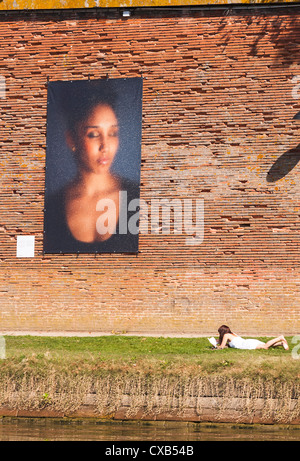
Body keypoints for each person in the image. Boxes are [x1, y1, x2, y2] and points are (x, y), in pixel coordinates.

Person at [44, 86, 140, 254]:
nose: (105, 146)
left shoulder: (136, 197)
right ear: (71, 139)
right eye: (94, 134)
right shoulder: (52, 208)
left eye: (113, 133)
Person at [217, 325, 289, 350]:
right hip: (248, 342)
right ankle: (281, 343)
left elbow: (222, 347)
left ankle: (279, 338)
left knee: (265, 347)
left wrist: (215, 346)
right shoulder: (232, 334)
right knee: (266, 345)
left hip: (246, 344)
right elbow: (229, 345)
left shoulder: (226, 335)